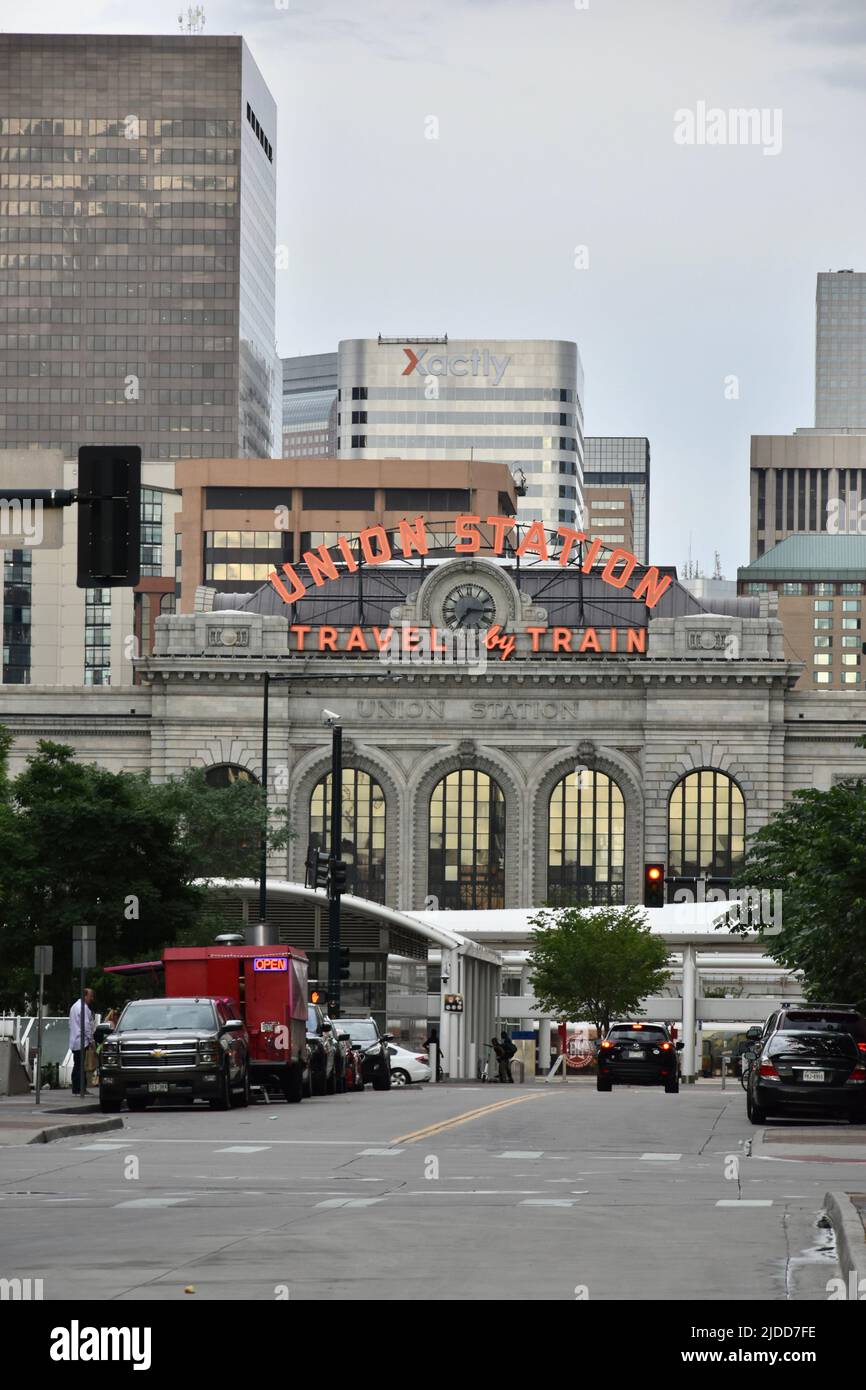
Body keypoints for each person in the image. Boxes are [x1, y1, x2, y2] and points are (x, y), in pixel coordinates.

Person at [69, 988, 95, 1096]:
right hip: (81, 1039)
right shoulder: (83, 1008)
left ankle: (76, 1088)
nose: (92, 998)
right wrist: (90, 1040)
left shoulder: (74, 1006)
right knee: (81, 1066)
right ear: (85, 996)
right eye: (90, 996)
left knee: (77, 1065)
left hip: (75, 1039)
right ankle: (81, 1089)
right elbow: (86, 1026)